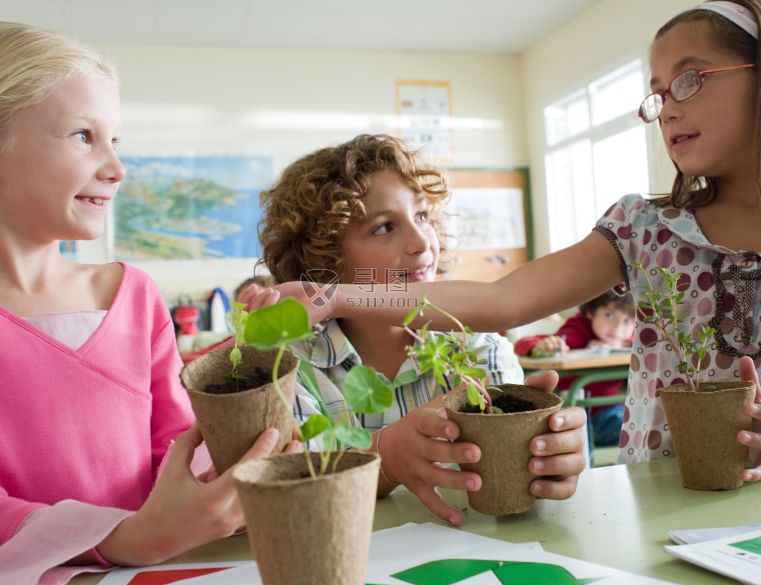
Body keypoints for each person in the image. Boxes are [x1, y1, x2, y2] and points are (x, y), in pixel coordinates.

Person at [247, 0, 761, 481]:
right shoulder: (645, 229)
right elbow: (501, 301)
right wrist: (335, 296)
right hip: (661, 509)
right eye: (656, 94)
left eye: (689, 79)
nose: (667, 107)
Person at [0, 22, 296, 585]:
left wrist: (240, 456)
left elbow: (177, 443)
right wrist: (122, 538)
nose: (116, 166)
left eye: (117, 141)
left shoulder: (133, 294)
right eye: (83, 136)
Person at [250, 133, 587, 526]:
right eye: (382, 228)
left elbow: (509, 492)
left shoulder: (478, 347)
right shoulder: (289, 366)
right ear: (325, 257)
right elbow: (292, 485)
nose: (421, 242)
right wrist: (385, 456)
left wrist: (544, 458)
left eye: (423, 216)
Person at [514, 290, 635, 447]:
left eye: (627, 321)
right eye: (609, 315)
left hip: (613, 408)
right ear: (592, 312)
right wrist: (542, 347)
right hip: (580, 416)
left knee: (642, 424)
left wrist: (619, 347)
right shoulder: (576, 332)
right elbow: (523, 342)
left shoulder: (628, 342)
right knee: (632, 428)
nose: (617, 328)